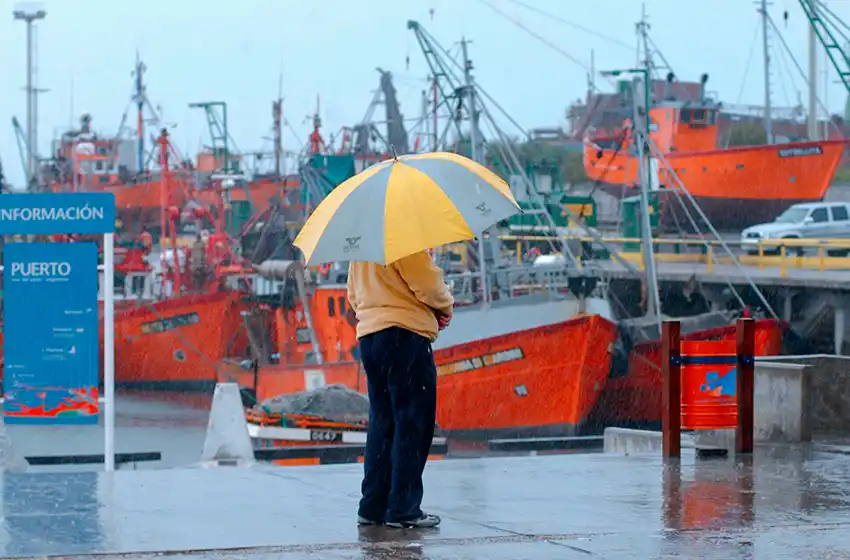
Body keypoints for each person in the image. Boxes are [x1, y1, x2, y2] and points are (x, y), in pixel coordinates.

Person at [347, 250, 454, 529]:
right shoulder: (404, 237)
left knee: (382, 424)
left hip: (370, 338)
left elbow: (353, 295)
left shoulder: (363, 246)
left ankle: (372, 506)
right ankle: (403, 508)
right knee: (412, 422)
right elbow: (426, 282)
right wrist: (444, 306)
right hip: (405, 335)